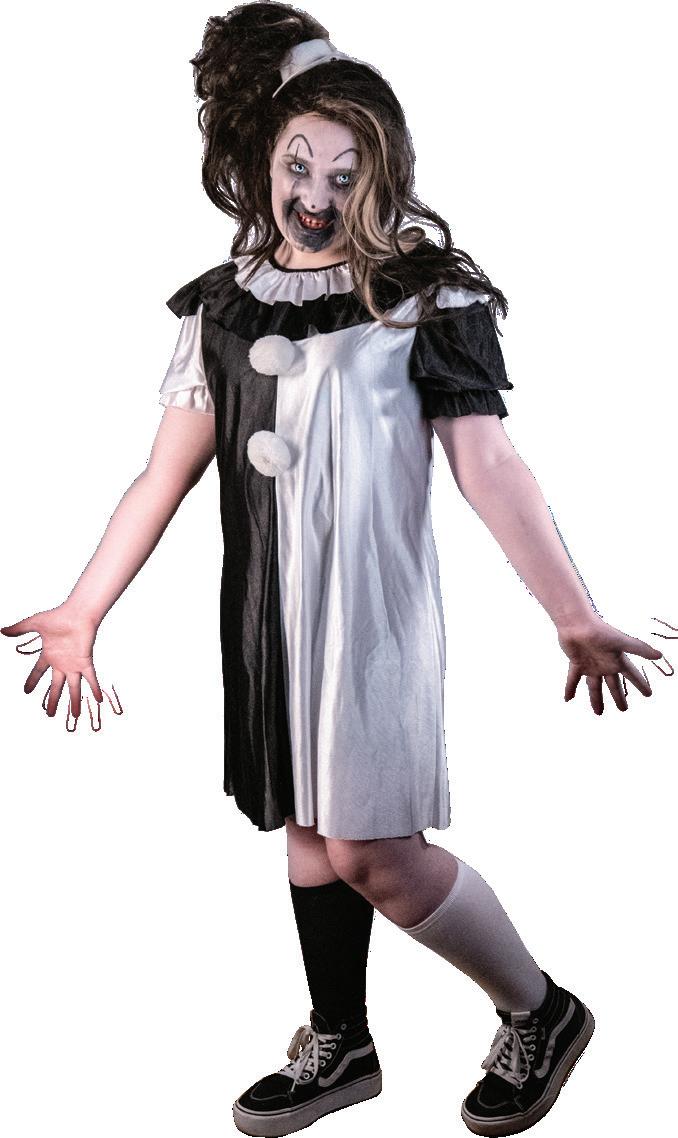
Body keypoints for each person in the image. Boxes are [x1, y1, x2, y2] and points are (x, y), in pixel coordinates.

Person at [1, 3, 669, 1136]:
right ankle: (341, 1041)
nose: (315, 193)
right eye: (298, 165)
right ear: (262, 159)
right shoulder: (224, 306)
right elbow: (164, 473)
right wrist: (82, 607)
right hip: (270, 616)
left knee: (370, 848)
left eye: (344, 174)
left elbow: (490, 466)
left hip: (371, 621)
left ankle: (540, 1007)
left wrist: (573, 612)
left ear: (382, 175)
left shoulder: (423, 296)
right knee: (309, 835)